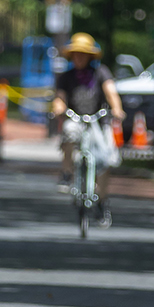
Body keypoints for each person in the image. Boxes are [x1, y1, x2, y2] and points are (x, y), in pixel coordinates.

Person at [51, 32, 125, 190]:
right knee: (69, 132)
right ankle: (67, 172)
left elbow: (111, 92)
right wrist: (59, 107)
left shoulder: (100, 72)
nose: (79, 58)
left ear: (90, 56)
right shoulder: (66, 76)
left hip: (98, 121)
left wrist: (117, 109)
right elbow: (60, 97)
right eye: (76, 54)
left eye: (83, 54)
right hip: (76, 119)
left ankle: (102, 201)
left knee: (107, 158)